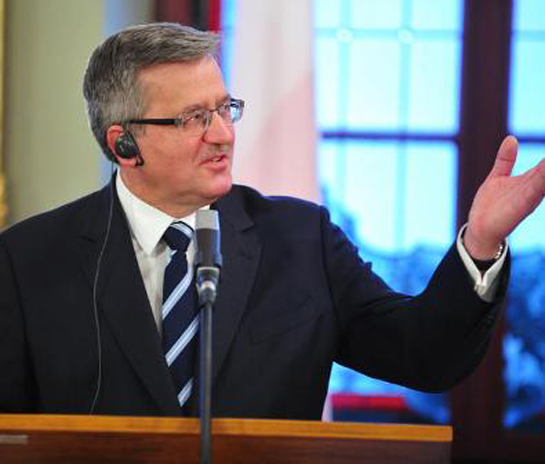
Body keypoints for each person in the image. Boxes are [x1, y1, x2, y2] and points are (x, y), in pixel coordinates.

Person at [0, 23, 543, 419]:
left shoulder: (302, 240)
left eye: (224, 108)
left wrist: (482, 241)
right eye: (194, 118)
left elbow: (424, 355)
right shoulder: (27, 261)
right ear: (124, 144)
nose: (223, 134)